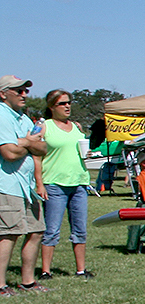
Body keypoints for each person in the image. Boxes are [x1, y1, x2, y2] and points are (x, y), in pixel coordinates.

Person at [37, 89, 94, 279]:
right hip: (54, 183)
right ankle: (46, 271)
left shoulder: (76, 127)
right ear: (52, 106)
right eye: (62, 103)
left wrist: (88, 154)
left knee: (80, 229)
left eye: (69, 102)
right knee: (51, 230)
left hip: (78, 183)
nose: (67, 106)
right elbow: (36, 156)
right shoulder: (45, 127)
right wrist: (40, 183)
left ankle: (81, 270)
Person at [0, 75, 47, 293]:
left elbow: (43, 148)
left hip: (27, 187)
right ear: (3, 94)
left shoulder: (23, 118)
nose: (24, 94)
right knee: (9, 234)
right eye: (18, 90)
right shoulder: (2, 115)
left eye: (25, 90)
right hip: (8, 185)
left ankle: (28, 281)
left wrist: (24, 142)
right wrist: (29, 143)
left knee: (36, 231)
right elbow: (9, 153)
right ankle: (1, 285)